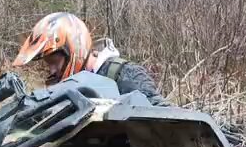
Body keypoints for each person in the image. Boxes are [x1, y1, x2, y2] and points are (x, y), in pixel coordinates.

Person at [13, 12, 169, 105]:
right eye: (49, 65)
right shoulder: (70, 88)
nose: (52, 70)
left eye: (54, 62)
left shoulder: (124, 73)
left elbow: (164, 115)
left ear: (73, 48)